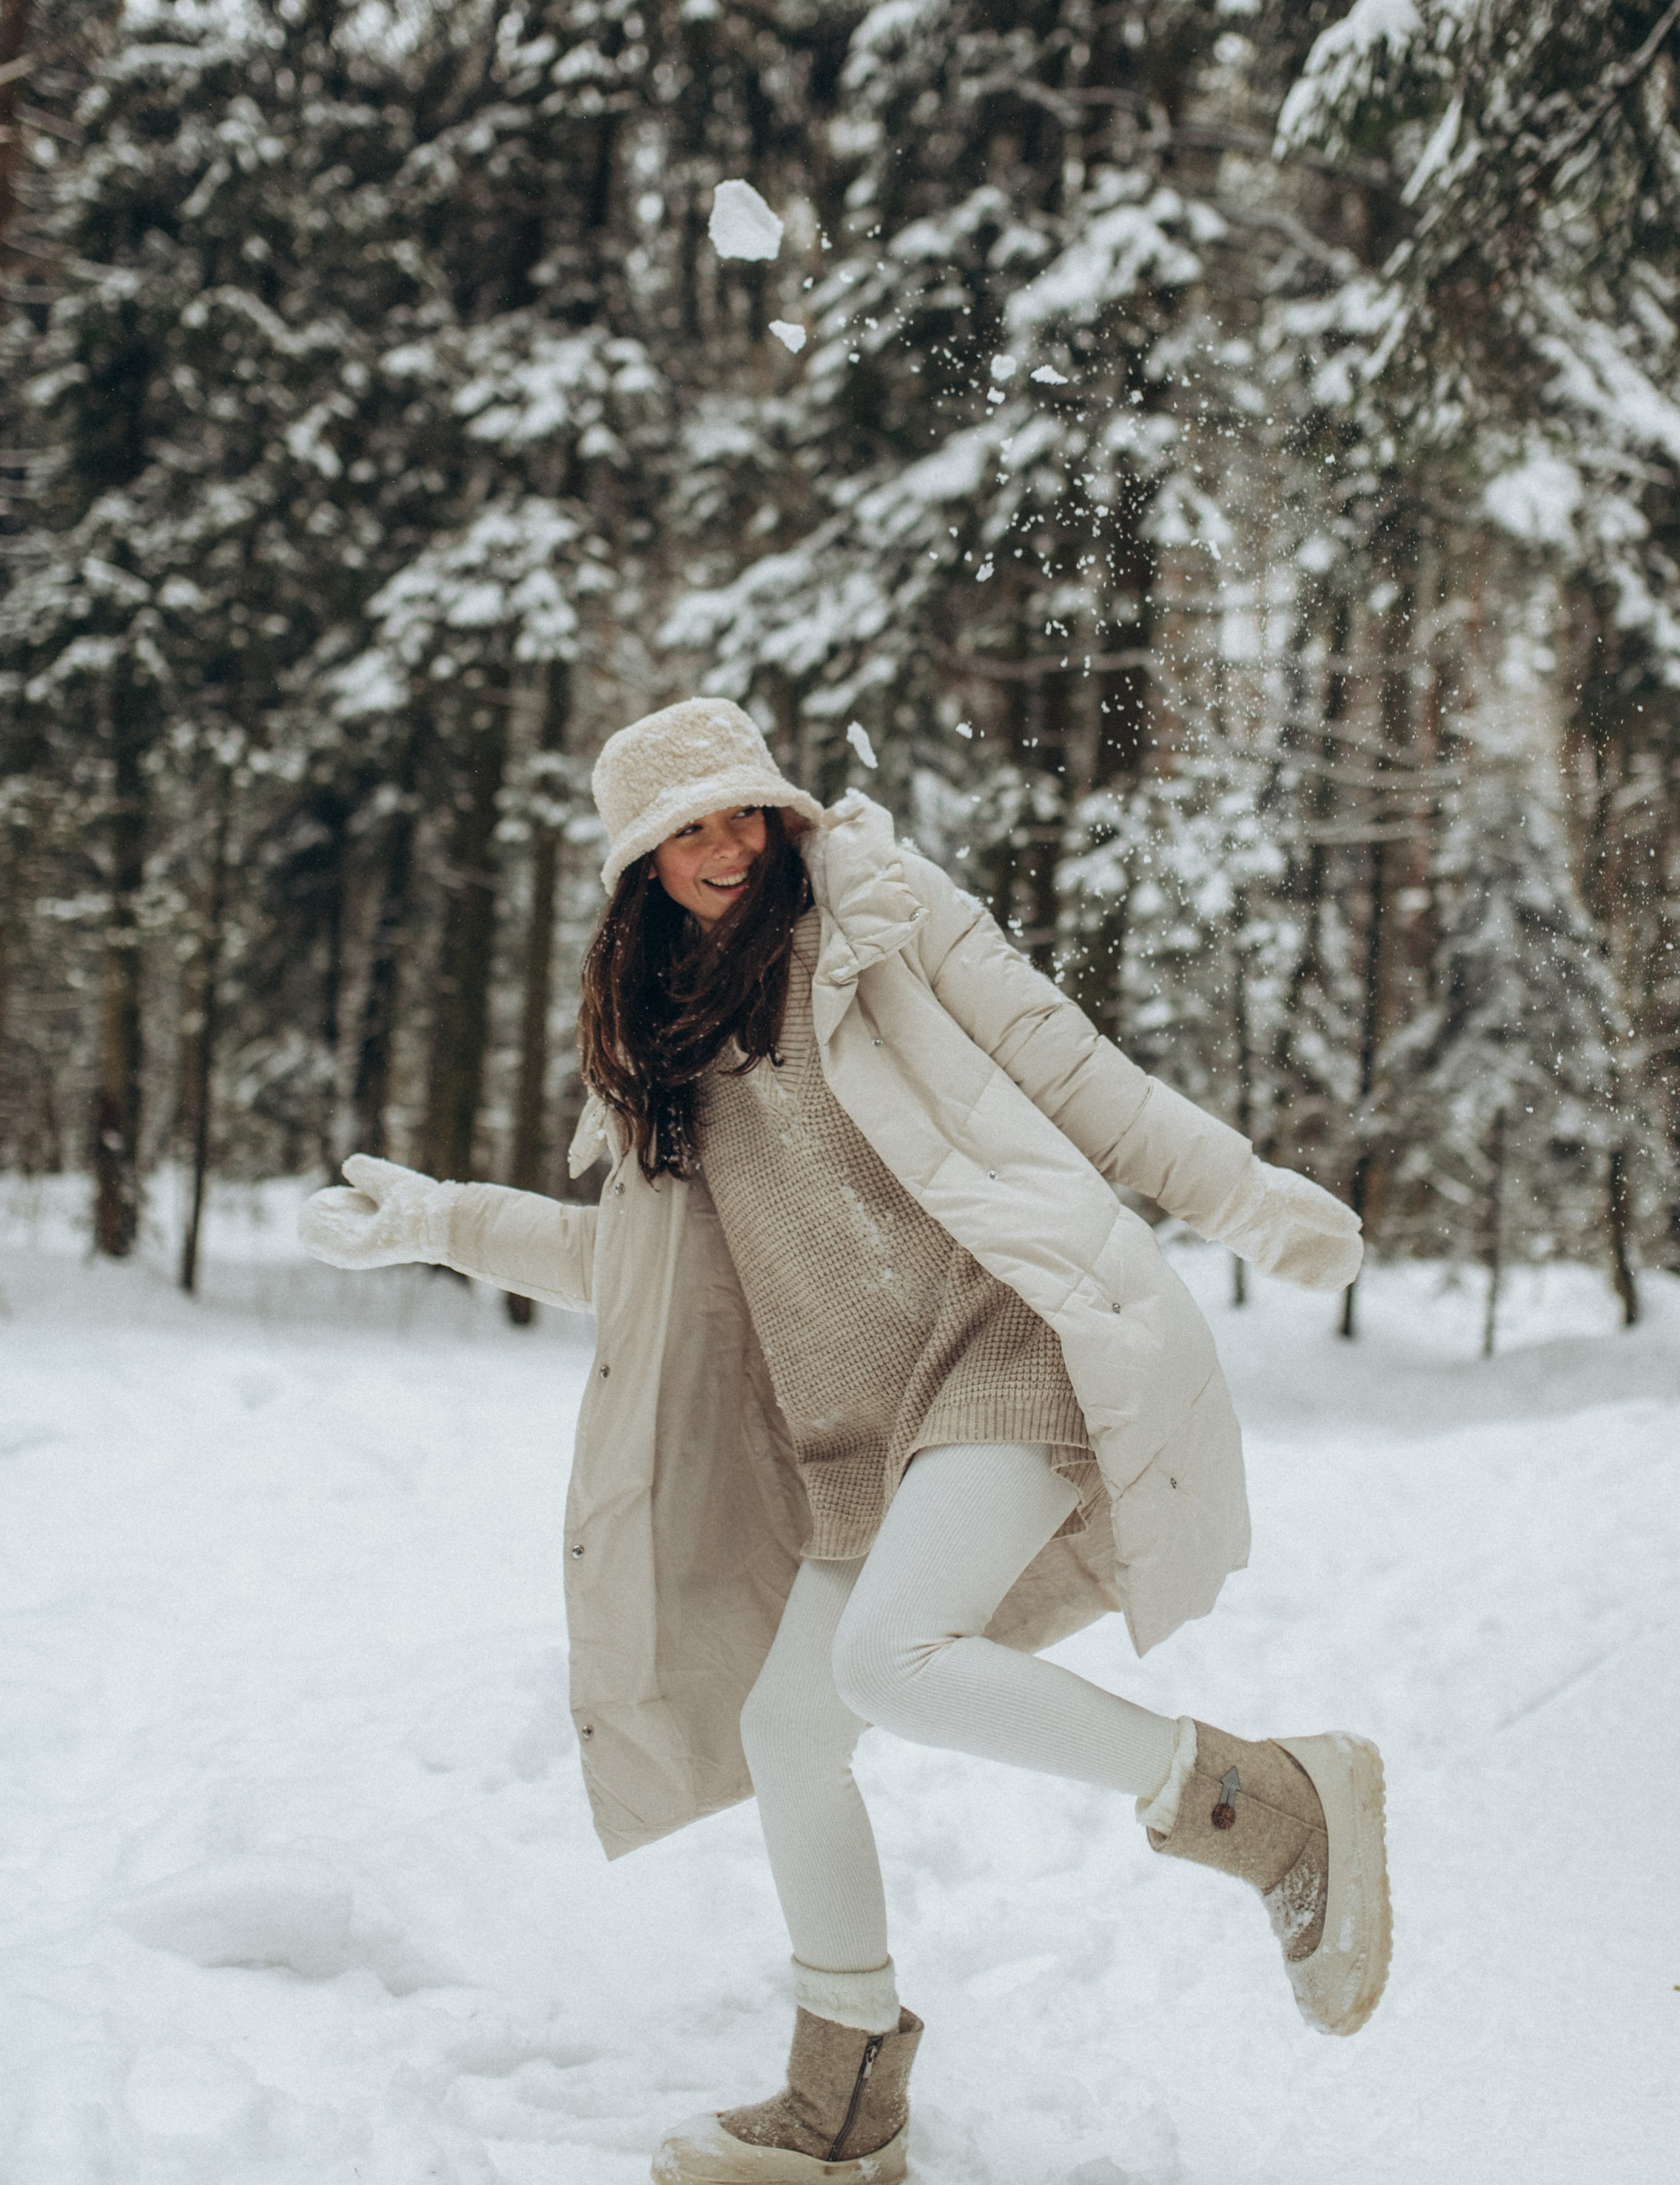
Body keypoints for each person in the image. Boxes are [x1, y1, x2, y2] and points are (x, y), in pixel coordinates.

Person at [301, 696, 1390, 2185]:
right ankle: (844, 2100)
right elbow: (630, 1275)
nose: (726, 845)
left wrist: (1248, 1200)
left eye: (742, 809)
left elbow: (1078, 1079)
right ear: (639, 866)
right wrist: (441, 1223)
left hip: (1003, 1343)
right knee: (788, 1735)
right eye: (686, 829)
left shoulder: (878, 918)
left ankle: (1269, 1803)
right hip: (855, 1435)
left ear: (782, 808)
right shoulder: (660, 1052)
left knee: (889, 1662)